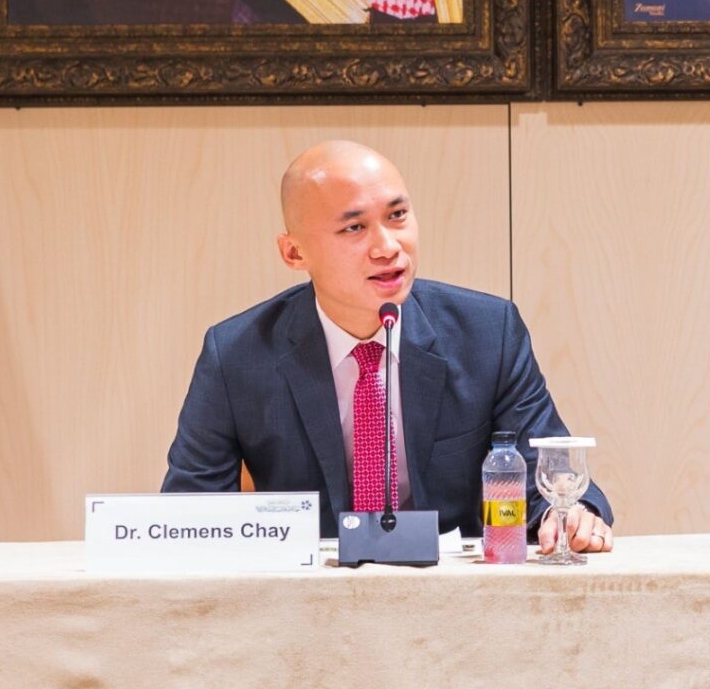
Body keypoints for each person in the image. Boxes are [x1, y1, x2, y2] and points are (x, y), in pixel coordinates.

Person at [162, 140, 614, 553]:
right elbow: (189, 515)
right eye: (354, 227)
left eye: (397, 216)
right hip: (307, 599)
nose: (387, 247)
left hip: (453, 596)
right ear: (294, 253)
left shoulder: (488, 334)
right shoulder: (236, 356)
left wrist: (569, 515)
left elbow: (543, 475)